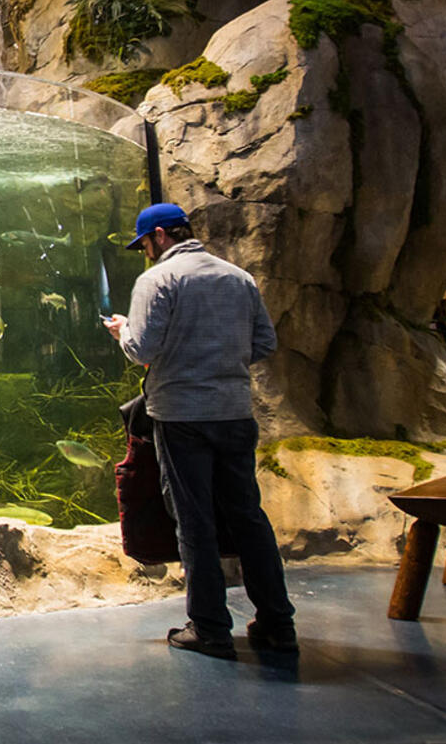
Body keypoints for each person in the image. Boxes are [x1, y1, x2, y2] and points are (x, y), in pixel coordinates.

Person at [103, 203, 296, 660]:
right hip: (234, 414)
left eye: (145, 243)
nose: (145, 252)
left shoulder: (157, 281)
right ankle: (277, 624)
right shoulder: (238, 278)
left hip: (181, 418)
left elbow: (143, 348)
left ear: (162, 236)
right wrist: (219, 360)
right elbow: (265, 343)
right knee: (249, 517)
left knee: (195, 521)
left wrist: (123, 330)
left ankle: (209, 628)